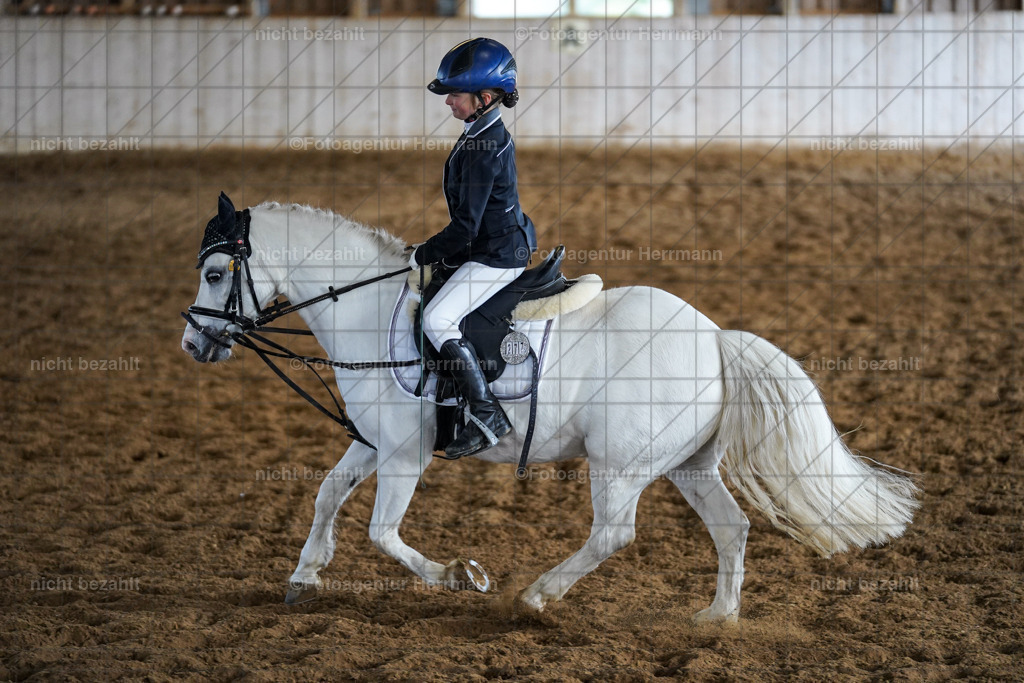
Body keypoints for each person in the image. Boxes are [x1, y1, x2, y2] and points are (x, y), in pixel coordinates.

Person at [406, 37, 537, 459]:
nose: (448, 102)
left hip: (496, 255)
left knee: (437, 318)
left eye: (454, 95)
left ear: (484, 97)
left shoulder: (484, 146)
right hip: (488, 244)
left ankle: (487, 415)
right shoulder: (479, 132)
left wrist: (420, 254)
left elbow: (465, 228)